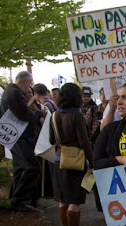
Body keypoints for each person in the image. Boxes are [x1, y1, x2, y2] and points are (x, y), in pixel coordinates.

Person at [0, 71, 46, 212]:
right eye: (29, 85)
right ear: (25, 82)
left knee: (20, 167)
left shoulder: (10, 91)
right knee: (32, 167)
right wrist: (38, 114)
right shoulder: (14, 93)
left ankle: (16, 198)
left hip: (16, 136)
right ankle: (20, 200)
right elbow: (24, 114)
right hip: (20, 136)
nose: (29, 88)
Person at [49, 83, 93, 226]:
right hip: (75, 161)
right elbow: (84, 142)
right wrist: (93, 160)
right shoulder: (77, 116)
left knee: (63, 200)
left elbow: (51, 140)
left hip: (58, 158)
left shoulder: (54, 115)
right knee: (75, 200)